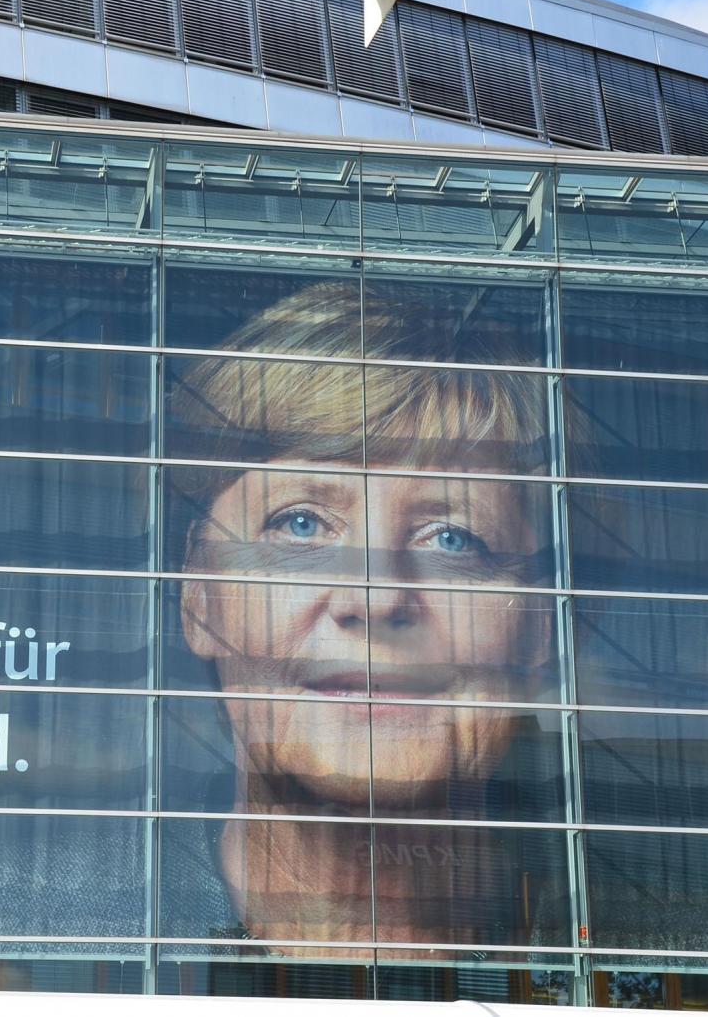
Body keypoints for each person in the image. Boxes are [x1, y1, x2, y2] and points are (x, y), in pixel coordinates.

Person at [163, 280, 566, 953]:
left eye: (452, 539)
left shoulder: (676, 936)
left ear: (539, 628)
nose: (376, 597)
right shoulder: (40, 933)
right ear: (198, 592)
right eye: (301, 524)